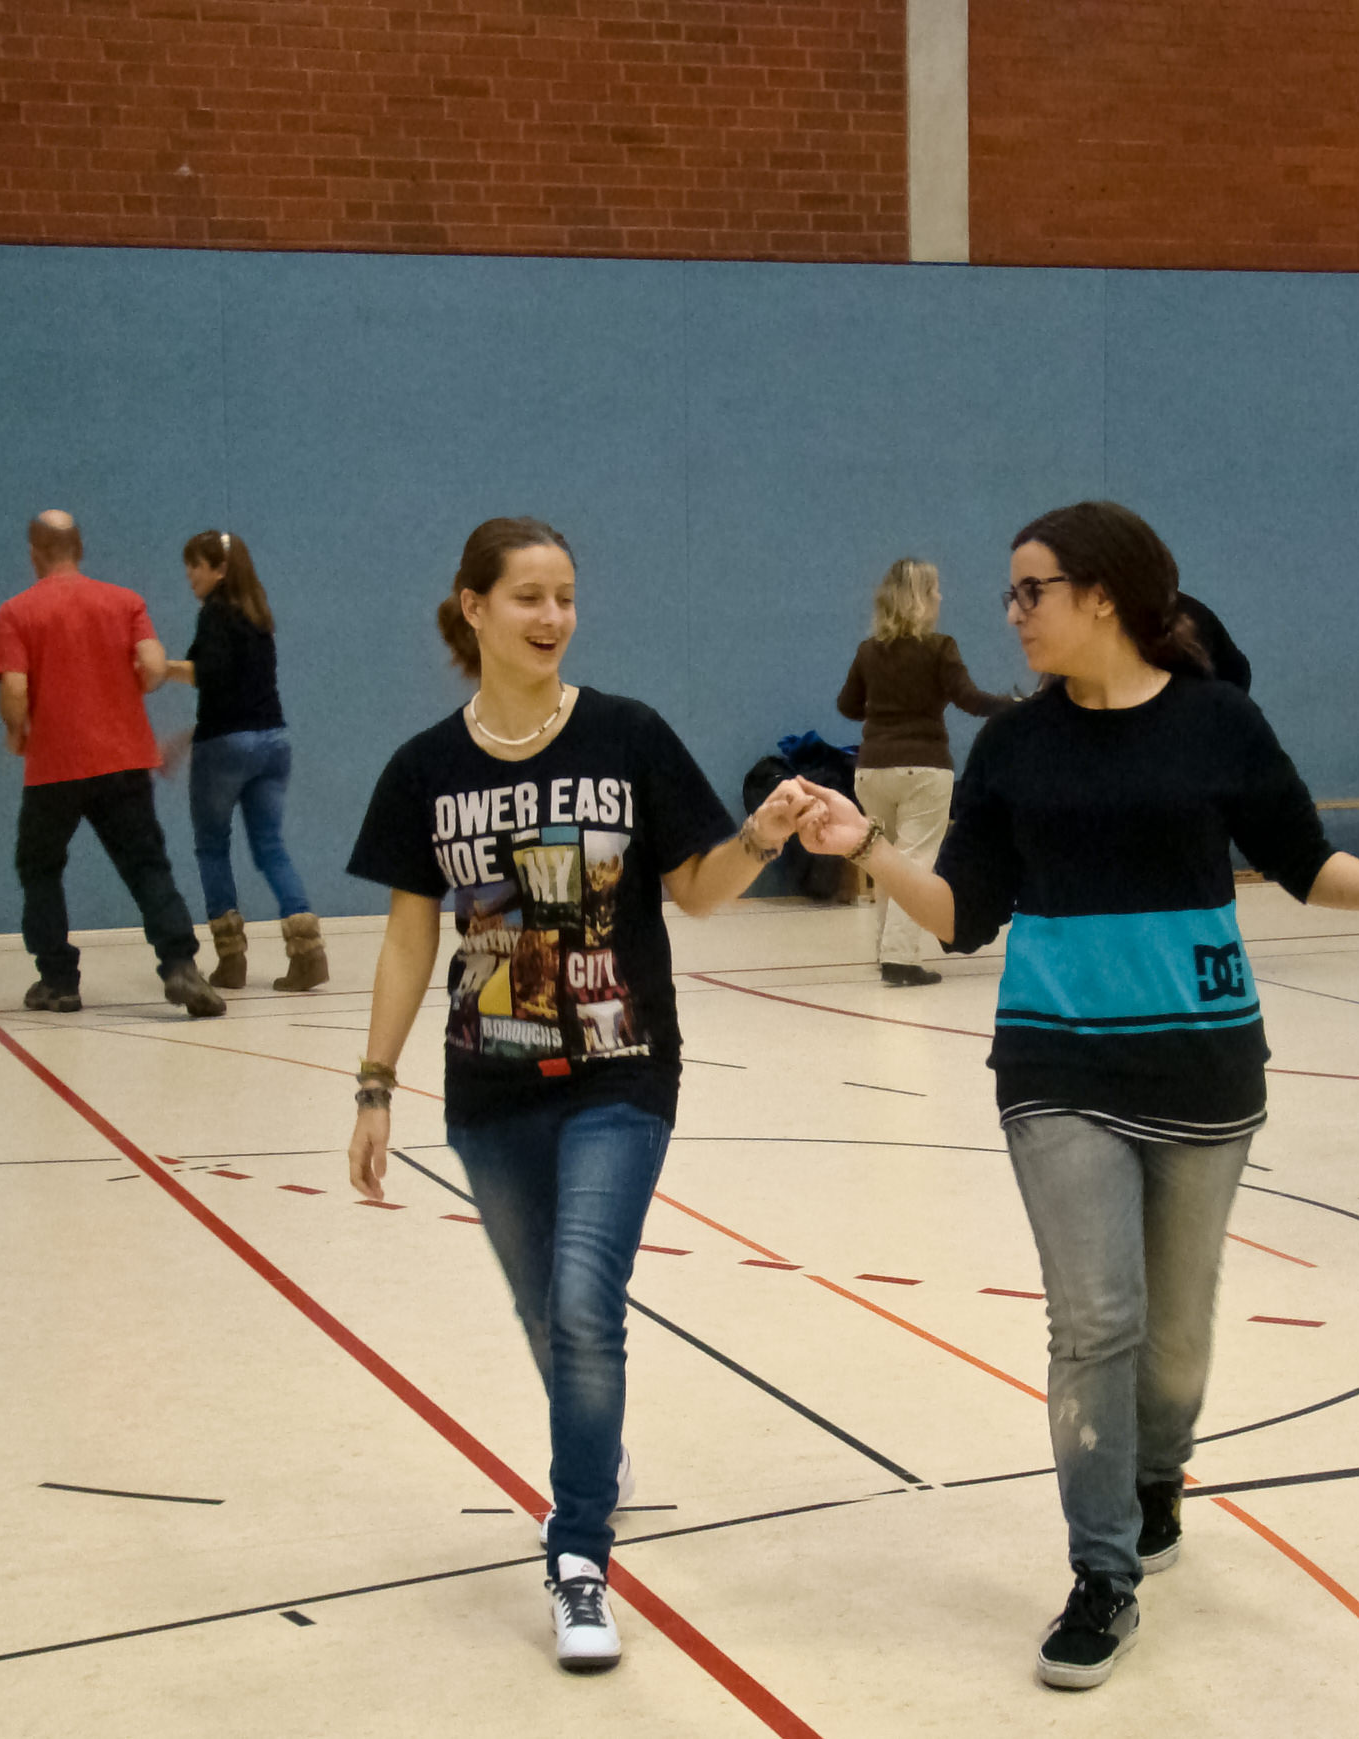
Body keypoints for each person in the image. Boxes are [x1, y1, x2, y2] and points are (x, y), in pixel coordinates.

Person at [793, 501, 1359, 1690]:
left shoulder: (1217, 722)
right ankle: (1100, 1569)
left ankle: (1157, 1468)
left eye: (1031, 590)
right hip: (1055, 1066)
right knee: (1094, 1321)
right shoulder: (1014, 746)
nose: (1013, 612)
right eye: (1010, 592)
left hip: (1202, 1062)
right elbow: (963, 914)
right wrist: (867, 846)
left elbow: (1300, 858)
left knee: (1171, 1338)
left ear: (1103, 595)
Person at [344, 516, 815, 1675]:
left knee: (583, 1303)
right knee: (549, 1316)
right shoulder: (424, 767)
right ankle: (594, 1454)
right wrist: (373, 1083)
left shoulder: (625, 735)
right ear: (472, 607)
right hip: (488, 1087)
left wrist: (759, 837)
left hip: (622, 1069)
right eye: (526, 597)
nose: (551, 616)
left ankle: (578, 1552)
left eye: (564, 595)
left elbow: (696, 891)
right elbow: (408, 938)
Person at [0, 511, 222, 1018]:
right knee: (147, 865)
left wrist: (14, 729)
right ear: (80, 549)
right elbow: (154, 666)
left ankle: (58, 980)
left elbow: (15, 690)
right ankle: (180, 965)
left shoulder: (16, 612)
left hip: (54, 767)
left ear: (34, 553)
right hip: (124, 759)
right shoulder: (124, 601)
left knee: (40, 866)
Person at [834, 557, 1014, 984]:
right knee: (913, 863)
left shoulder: (868, 651)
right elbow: (970, 699)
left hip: (872, 768)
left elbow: (847, 705)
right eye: (935, 590)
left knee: (881, 860)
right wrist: (1013, 707)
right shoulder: (939, 647)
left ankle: (886, 950)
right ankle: (900, 958)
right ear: (921, 599)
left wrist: (884, 708)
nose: (941, 597)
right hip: (924, 766)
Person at [162, 530, 327, 991]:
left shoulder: (215, 613)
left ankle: (230, 958)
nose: (189, 575)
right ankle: (308, 952)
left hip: (225, 747)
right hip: (273, 742)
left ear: (219, 570)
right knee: (270, 847)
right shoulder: (259, 615)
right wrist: (185, 738)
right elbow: (241, 694)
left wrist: (161, 668)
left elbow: (209, 675)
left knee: (212, 846)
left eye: (195, 565)